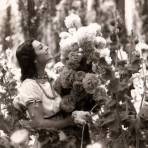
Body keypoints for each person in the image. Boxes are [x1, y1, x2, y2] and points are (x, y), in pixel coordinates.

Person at [15, 39, 75, 148]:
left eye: (43, 45)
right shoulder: (29, 85)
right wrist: (69, 122)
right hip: (49, 142)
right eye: (41, 48)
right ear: (34, 59)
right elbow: (39, 122)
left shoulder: (51, 77)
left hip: (66, 139)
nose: (46, 47)